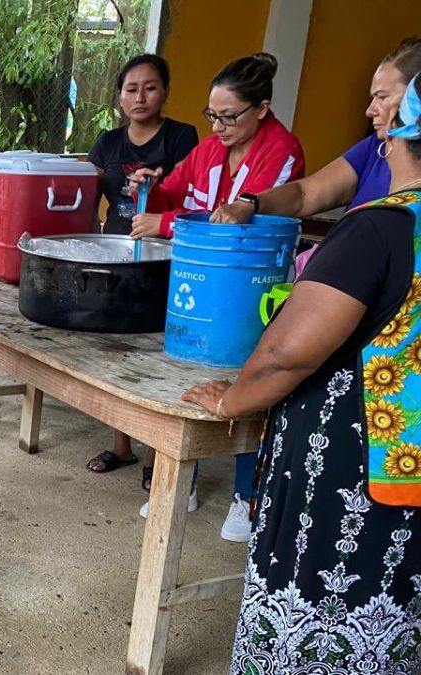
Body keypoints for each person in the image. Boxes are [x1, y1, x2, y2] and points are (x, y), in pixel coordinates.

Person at [182, 74, 421, 674]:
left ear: (397, 138)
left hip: (346, 483)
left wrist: (232, 399)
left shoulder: (382, 228)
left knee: (314, 630)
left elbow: (287, 354)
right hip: (409, 480)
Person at [129, 53, 306, 543]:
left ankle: (246, 496)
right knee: (188, 378)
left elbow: (245, 224)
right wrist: (150, 189)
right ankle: (180, 482)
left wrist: (164, 223)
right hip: (202, 286)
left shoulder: (282, 153)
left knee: (251, 378)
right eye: (213, 115)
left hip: (250, 287)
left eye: (231, 116)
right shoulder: (208, 150)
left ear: (263, 109)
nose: (220, 126)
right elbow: (172, 192)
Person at [85, 54, 198, 478]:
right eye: (131, 89)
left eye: (150, 87)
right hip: (116, 251)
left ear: (165, 92)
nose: (140, 96)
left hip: (164, 253)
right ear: (119, 96)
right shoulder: (107, 143)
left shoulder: (182, 138)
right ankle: (121, 445)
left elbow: (193, 192)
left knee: (155, 353)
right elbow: (85, 191)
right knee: (115, 349)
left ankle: (155, 454)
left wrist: (157, 187)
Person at [212, 37, 421, 226]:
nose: (369, 110)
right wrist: (249, 203)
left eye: (382, 97)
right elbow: (305, 194)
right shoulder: (376, 147)